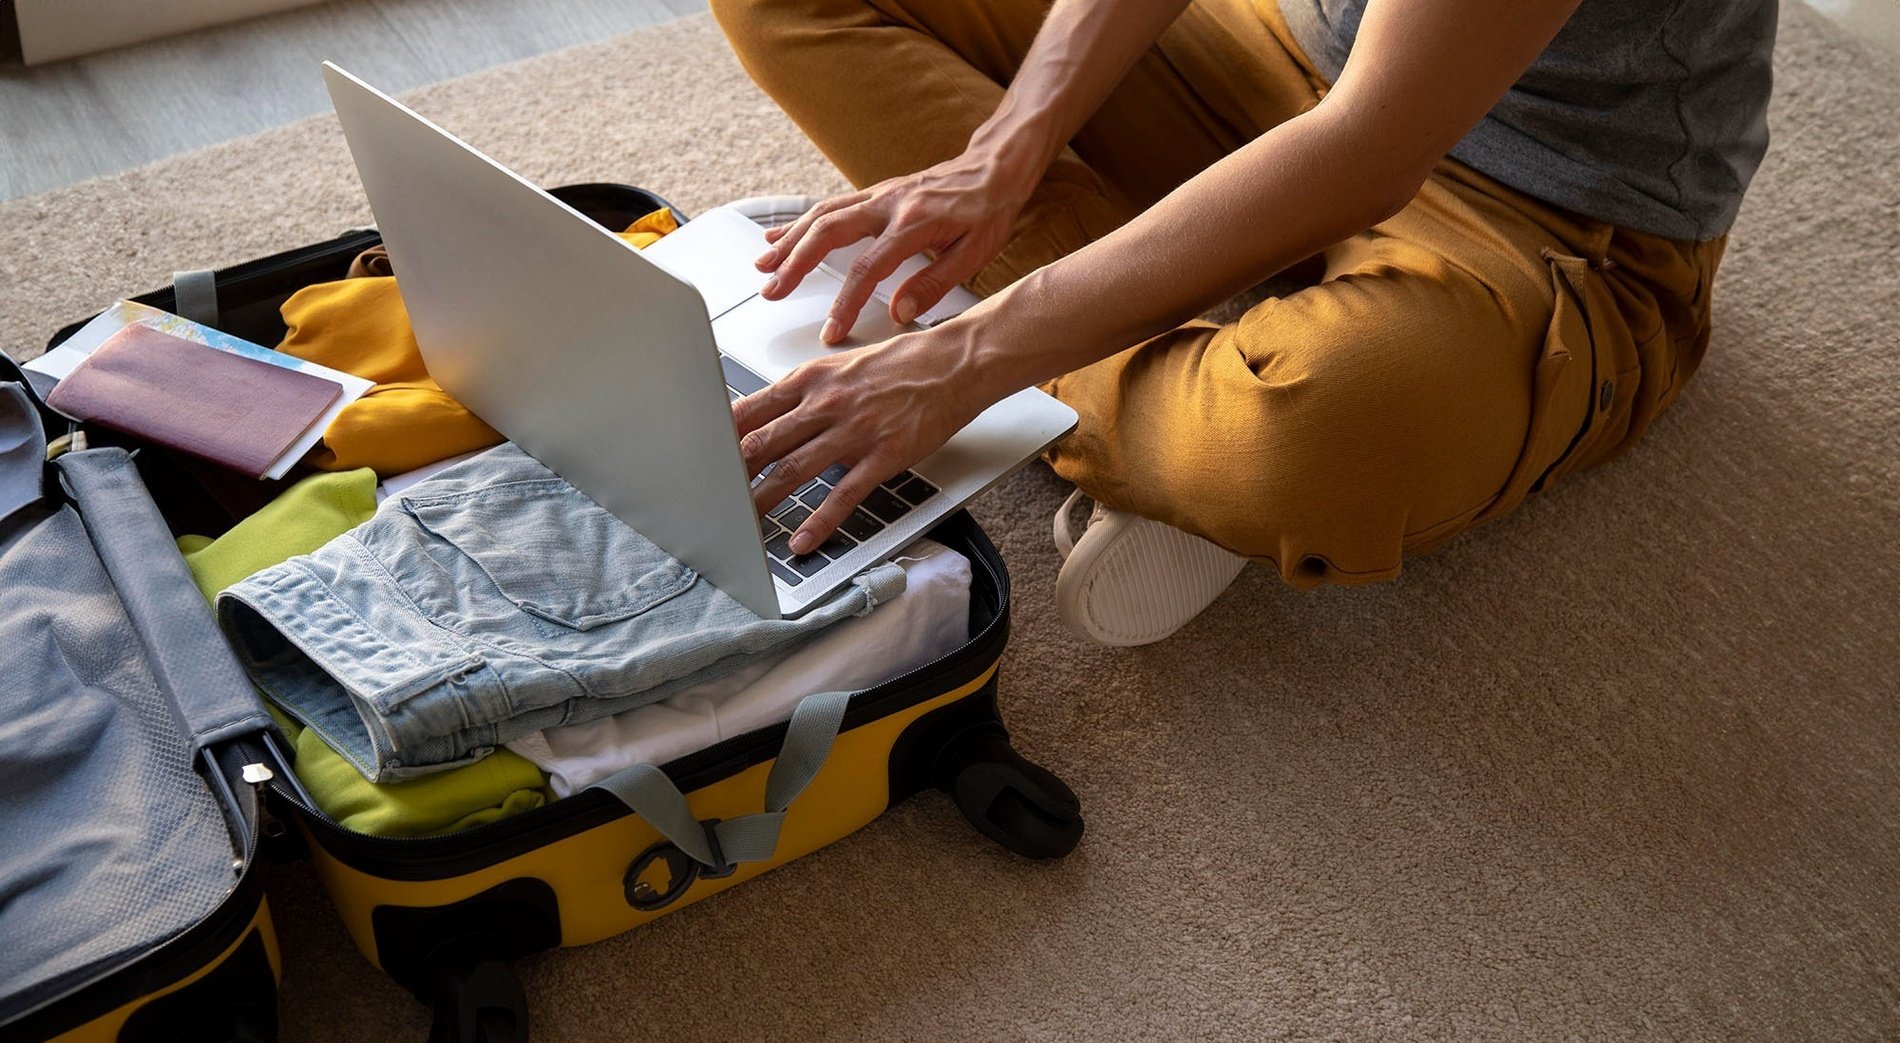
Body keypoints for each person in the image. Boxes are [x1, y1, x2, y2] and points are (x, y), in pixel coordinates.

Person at [709, 0, 1777, 645]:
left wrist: (964, 357)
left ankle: (1103, 352)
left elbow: (1369, 149)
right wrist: (1005, 151)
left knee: (1317, 432)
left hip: (1550, 217)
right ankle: (1160, 383)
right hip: (1303, 64)